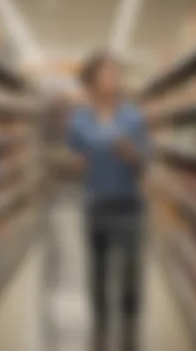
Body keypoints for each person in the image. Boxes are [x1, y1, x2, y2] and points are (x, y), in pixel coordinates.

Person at [67, 52, 148, 351]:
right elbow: (74, 154)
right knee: (97, 272)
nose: (113, 79)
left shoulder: (133, 117)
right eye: (106, 73)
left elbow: (145, 160)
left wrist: (133, 155)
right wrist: (75, 163)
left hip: (127, 205)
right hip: (95, 204)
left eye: (116, 73)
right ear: (91, 81)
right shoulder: (79, 120)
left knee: (129, 275)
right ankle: (99, 333)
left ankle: (130, 335)